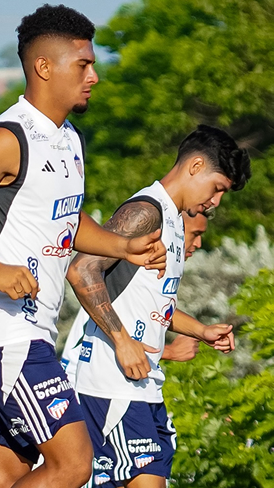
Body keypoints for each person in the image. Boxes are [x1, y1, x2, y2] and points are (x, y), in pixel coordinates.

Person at [0, 4, 168, 488]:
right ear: (44, 68)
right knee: (74, 464)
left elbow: (66, 220)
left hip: (27, 334)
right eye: (84, 64)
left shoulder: (68, 139)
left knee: (3, 475)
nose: (94, 75)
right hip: (6, 335)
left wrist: (123, 247)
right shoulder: (7, 137)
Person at [66, 125, 251, 488]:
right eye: (217, 189)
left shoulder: (175, 223)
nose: (216, 202)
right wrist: (121, 340)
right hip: (111, 386)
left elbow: (151, 303)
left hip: (145, 386)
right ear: (195, 166)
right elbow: (81, 269)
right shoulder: (145, 211)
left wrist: (201, 330)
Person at [60, 210, 210, 384]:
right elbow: (115, 339)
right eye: (195, 234)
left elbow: (151, 310)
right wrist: (169, 351)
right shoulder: (128, 268)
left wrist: (202, 331)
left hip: (111, 382)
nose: (199, 243)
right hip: (85, 383)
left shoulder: (146, 269)